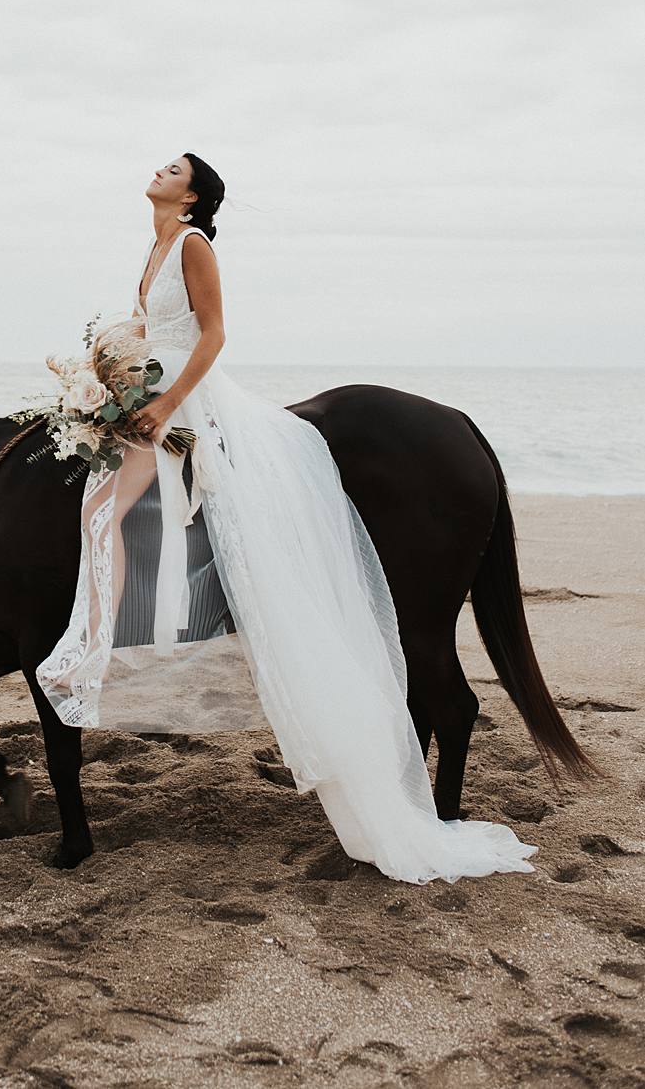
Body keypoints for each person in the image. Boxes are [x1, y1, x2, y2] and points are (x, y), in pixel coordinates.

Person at [36, 153, 537, 885]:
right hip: (151, 387)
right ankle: (106, 628)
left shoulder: (194, 245)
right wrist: (100, 381)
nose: (158, 168)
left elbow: (211, 337)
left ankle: (116, 631)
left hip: (190, 396)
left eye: (172, 166)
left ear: (195, 192)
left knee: (153, 506)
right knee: (101, 502)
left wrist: (165, 406)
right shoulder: (152, 247)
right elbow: (144, 333)